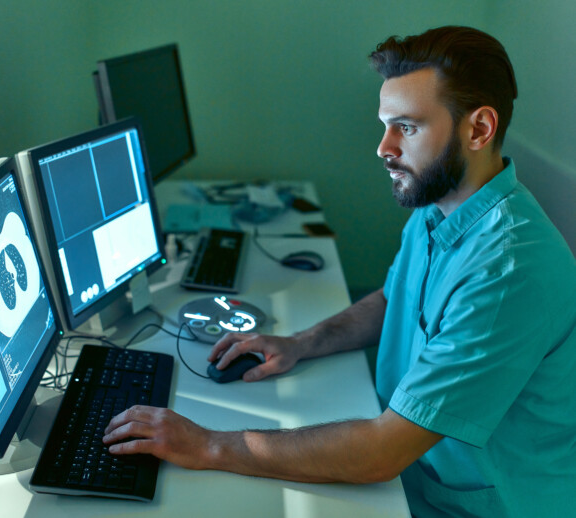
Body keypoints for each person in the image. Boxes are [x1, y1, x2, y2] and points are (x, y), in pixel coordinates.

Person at [103, 26, 576, 516]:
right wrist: (301, 343)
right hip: (410, 472)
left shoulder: (508, 270)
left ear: (478, 129)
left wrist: (206, 445)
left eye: (406, 128)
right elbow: (395, 299)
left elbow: (382, 450)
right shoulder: (441, 203)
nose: (383, 147)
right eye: (385, 125)